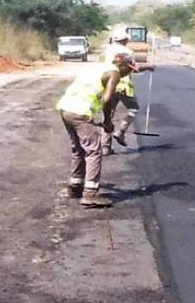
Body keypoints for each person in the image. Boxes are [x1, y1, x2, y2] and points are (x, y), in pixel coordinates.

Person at [56, 53, 138, 206]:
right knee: (94, 150)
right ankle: (90, 193)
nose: (129, 73)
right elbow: (107, 99)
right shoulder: (114, 73)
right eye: (129, 69)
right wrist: (107, 122)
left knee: (78, 148)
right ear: (123, 65)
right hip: (81, 111)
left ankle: (75, 186)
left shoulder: (97, 67)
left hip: (66, 107)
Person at [102, 29, 155, 154]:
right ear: (125, 40)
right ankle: (120, 131)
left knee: (108, 115)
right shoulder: (127, 52)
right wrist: (149, 67)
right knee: (133, 108)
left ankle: (105, 147)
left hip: (107, 84)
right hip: (122, 85)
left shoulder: (106, 50)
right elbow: (134, 68)